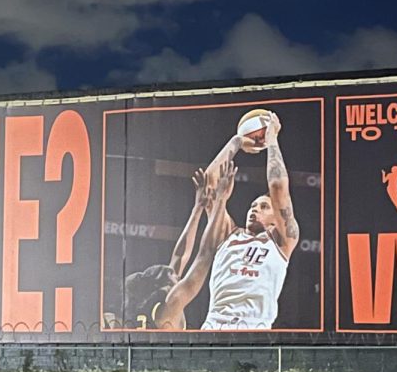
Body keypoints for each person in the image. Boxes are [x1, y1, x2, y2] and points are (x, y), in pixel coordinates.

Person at [190, 111, 299, 330]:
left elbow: (278, 187)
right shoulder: (228, 233)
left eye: (263, 206)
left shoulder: (282, 241)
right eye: (252, 206)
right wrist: (237, 141)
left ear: (276, 219)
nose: (254, 209)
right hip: (213, 329)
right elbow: (209, 185)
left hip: (253, 332)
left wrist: (272, 140)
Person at [121, 169, 212, 329]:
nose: (177, 276)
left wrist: (197, 209)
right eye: (174, 277)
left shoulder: (154, 302)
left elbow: (180, 255)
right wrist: (218, 209)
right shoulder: (167, 309)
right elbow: (202, 259)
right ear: (164, 287)